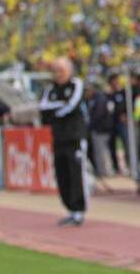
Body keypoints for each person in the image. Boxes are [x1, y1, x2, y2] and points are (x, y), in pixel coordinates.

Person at [38, 57, 88, 227]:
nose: (58, 74)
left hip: (74, 137)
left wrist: (56, 109)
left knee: (76, 173)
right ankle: (70, 209)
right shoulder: (50, 89)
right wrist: (58, 108)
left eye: (62, 70)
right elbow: (43, 109)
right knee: (61, 175)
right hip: (58, 138)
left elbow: (71, 106)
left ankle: (79, 210)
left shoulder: (76, 84)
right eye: (56, 71)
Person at [85, 80, 115, 178]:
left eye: (88, 90)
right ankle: (105, 171)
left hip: (101, 129)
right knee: (102, 151)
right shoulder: (95, 98)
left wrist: (91, 125)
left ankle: (104, 172)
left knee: (101, 151)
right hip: (100, 129)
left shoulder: (100, 99)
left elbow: (98, 115)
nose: (86, 92)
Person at [108, 74, 127, 174]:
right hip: (112, 124)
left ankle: (129, 165)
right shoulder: (108, 94)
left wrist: (126, 115)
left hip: (122, 123)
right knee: (112, 145)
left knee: (126, 143)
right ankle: (116, 167)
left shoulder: (123, 92)